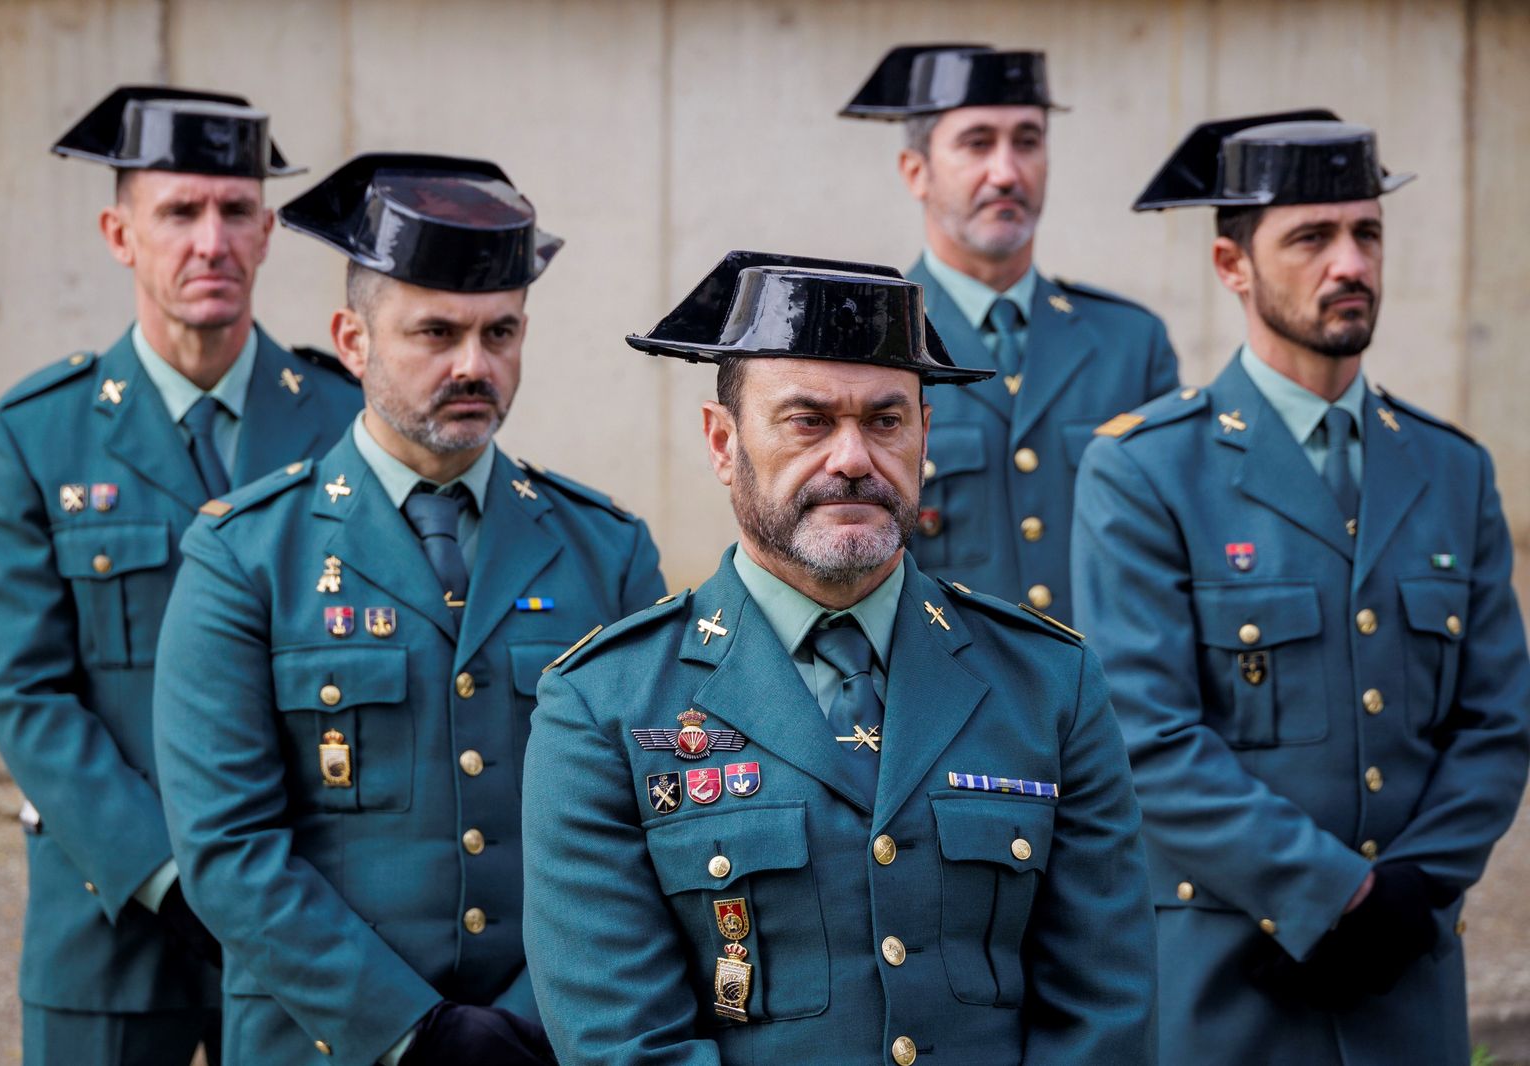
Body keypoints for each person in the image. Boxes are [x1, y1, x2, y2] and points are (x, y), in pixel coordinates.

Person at [522, 250, 1155, 1065]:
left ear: (925, 434)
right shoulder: (604, 706)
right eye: (808, 420)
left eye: (886, 421)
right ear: (722, 443)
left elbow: (1103, 1013)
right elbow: (625, 1043)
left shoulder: (1051, 684)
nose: (854, 458)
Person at [152, 153, 666, 1065]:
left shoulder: (609, 551)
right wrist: (411, 1032)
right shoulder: (244, 556)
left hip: (549, 1042)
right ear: (352, 341)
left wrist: (529, 1021)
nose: (475, 365)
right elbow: (230, 852)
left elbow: (646, 821)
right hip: (325, 1041)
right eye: (435, 333)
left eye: (500, 333)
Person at [1073, 112, 1530, 1064]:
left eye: (1367, 233)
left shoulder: (1453, 470)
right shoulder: (1148, 471)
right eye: (1311, 238)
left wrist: (1410, 893)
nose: (1350, 264)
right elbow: (1147, 738)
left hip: (1407, 977)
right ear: (1232, 267)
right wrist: (1332, 895)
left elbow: (1495, 725)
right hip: (1228, 979)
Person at [0, 85, 362, 1065]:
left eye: (235, 211)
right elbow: (28, 693)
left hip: (302, 909)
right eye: (178, 212)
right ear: (120, 232)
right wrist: (173, 873)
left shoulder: (346, 424)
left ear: (269, 232)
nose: (210, 241)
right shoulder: (39, 434)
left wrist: (251, 883)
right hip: (108, 915)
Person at [839, 44, 1179, 622]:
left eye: (1027, 141)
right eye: (977, 144)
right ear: (915, 171)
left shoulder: (1130, 343)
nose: (1007, 172)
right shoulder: (865, 340)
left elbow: (1171, 556)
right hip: (945, 696)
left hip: (1100, 697)